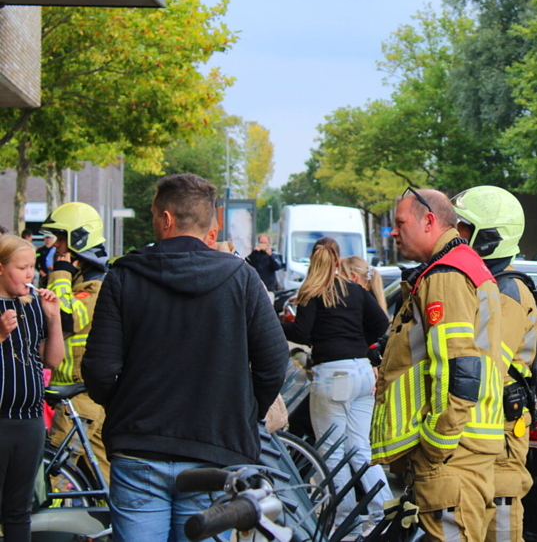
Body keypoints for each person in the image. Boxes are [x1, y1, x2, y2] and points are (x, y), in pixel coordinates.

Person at [81, 173, 289, 542]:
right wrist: (243, 412)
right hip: (215, 451)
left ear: (166, 219)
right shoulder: (242, 278)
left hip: (139, 448)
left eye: (152, 214)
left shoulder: (123, 277)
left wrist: (124, 406)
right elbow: (274, 362)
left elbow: (99, 369)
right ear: (210, 223)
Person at [371, 189, 505, 542]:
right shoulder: (463, 265)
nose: (393, 232)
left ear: (429, 221)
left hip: (451, 456)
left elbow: (460, 369)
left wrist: (434, 446)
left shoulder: (446, 275)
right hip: (463, 450)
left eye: (400, 223)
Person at [281, 238, 391, 534]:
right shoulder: (355, 290)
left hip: (334, 374)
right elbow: (383, 325)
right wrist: (363, 347)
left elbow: (301, 334)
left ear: (312, 261)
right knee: (360, 447)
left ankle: (343, 522)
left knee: (332, 450)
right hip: (363, 372)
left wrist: (274, 322)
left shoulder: (311, 292)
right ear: (338, 260)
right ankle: (384, 512)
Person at [450, 186, 537, 542]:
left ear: (488, 239)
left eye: (463, 227)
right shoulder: (486, 285)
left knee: (501, 513)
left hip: (502, 425)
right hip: (488, 423)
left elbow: (488, 366)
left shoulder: (507, 293)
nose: (455, 234)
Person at [40, 202, 111, 482]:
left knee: (52, 477)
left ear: (78, 240)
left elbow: (65, 317)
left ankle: (50, 513)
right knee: (100, 478)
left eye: (61, 238)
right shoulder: (80, 279)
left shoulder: (97, 283)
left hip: (81, 402)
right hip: (82, 400)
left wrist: (60, 271)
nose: (57, 245)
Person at [0, 235, 64, 542]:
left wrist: (54, 318)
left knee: (19, 510)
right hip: (1, 419)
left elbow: (52, 360)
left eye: (32, 267)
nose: (30, 275)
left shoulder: (32, 305)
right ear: (1, 268)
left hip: (30, 420)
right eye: (22, 268)